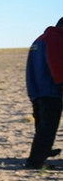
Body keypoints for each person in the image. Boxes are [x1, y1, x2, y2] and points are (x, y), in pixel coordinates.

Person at [24, 18, 63, 170]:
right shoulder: (54, 39)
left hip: (37, 90)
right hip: (50, 91)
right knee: (47, 128)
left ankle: (44, 152)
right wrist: (61, 83)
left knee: (42, 126)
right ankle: (35, 162)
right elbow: (57, 63)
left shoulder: (40, 39)